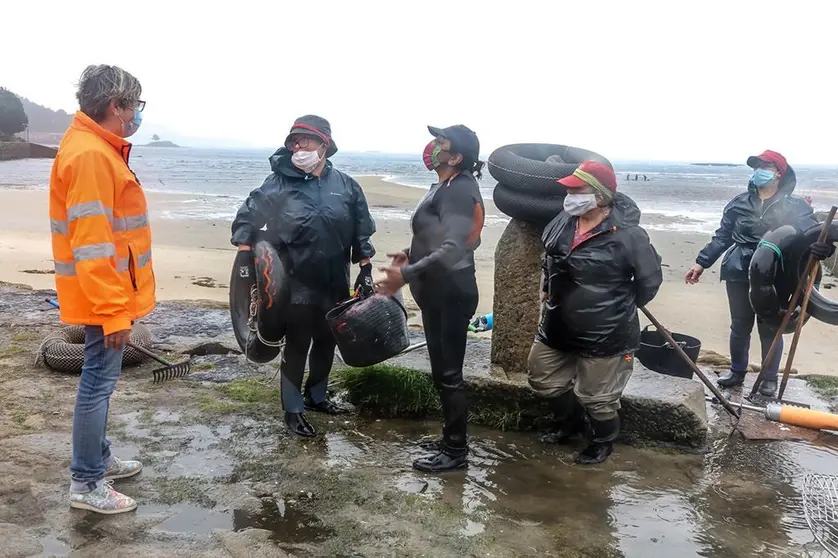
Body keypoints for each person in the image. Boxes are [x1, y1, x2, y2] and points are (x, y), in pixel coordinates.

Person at [231, 115, 376, 437]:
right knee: (298, 344)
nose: (298, 146)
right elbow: (248, 216)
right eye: (293, 141)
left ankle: (317, 396)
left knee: (327, 341)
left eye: (305, 141)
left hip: (335, 279)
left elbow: (361, 229)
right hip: (294, 282)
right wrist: (244, 254)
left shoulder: (346, 186)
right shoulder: (278, 184)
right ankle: (293, 409)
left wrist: (365, 267)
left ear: (323, 145)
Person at [49, 64, 152, 514]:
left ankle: (99, 459)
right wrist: (114, 311)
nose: (137, 114)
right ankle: (86, 484)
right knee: (96, 385)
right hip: (102, 295)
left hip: (102, 292)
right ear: (117, 106)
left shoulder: (94, 147)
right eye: (136, 106)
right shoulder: (91, 155)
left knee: (98, 382)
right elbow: (92, 245)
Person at [528, 160, 662, 465]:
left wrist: (616, 307)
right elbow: (549, 258)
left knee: (598, 398)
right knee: (541, 376)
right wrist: (548, 289)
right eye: (569, 190)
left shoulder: (629, 235)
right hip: (558, 322)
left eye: (578, 190)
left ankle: (602, 442)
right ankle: (570, 424)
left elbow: (649, 282)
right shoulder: (563, 220)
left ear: (600, 196)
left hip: (608, 331)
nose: (570, 195)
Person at [376, 125, 485, 472]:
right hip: (437, 292)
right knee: (441, 371)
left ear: (455, 157)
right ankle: (449, 438)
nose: (433, 146)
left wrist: (404, 275)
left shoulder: (459, 190)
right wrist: (411, 254)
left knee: (450, 373)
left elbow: (454, 249)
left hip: (451, 293)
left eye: (441, 143)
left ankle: (456, 451)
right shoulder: (446, 186)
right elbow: (438, 239)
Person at [685, 150, 833, 396]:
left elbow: (813, 236)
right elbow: (722, 236)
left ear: (779, 174)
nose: (758, 171)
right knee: (740, 325)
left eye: (765, 166)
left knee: (770, 326)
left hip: (776, 273)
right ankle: (737, 370)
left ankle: (769, 377)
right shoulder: (739, 203)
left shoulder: (795, 207)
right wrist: (702, 263)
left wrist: (822, 248)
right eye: (757, 166)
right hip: (739, 270)